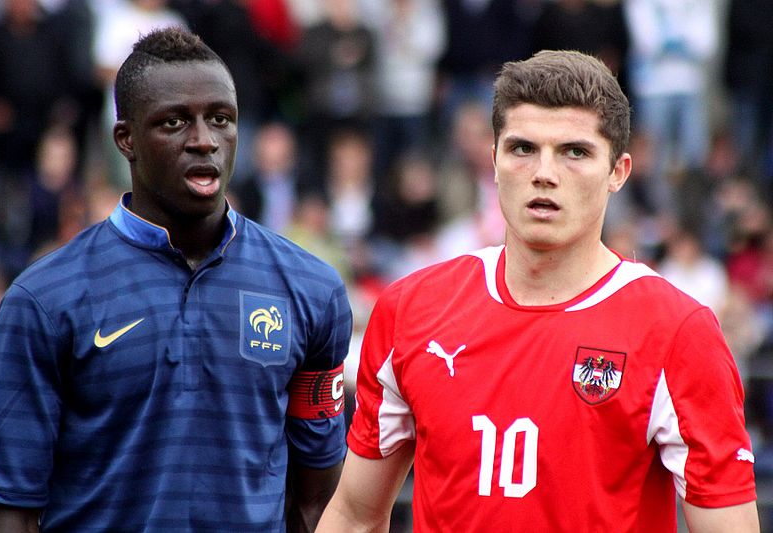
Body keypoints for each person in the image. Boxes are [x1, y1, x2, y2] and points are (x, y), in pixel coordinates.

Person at [317, 50, 759, 532]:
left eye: (575, 151)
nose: (544, 172)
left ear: (619, 171)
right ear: (493, 160)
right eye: (523, 148)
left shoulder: (677, 332)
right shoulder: (411, 309)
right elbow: (355, 516)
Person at [0, 26, 352, 532]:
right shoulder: (43, 300)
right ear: (126, 140)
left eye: (220, 119)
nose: (204, 140)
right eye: (174, 123)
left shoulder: (310, 290)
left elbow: (318, 504)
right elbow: (7, 510)